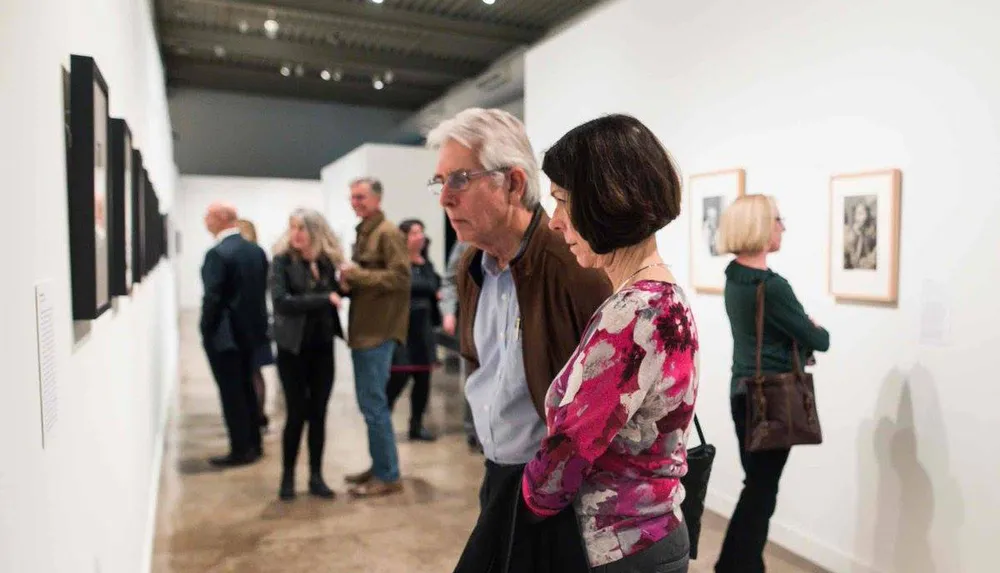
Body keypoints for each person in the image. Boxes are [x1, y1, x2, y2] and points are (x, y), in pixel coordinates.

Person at [426, 108, 611, 572]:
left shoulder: (574, 269)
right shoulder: (473, 267)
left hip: (562, 495)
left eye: (460, 179)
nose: (445, 198)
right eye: (441, 181)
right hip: (499, 478)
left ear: (512, 182)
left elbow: (610, 402)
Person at [519, 114, 698, 573]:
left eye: (562, 201)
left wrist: (523, 501)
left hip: (619, 549)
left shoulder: (632, 314)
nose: (555, 222)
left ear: (607, 202)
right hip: (649, 537)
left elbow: (569, 452)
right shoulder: (663, 296)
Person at [713, 194, 831, 573]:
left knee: (756, 484)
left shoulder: (733, 277)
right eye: (778, 219)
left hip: (741, 393)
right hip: (771, 399)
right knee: (763, 490)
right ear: (761, 227)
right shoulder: (772, 286)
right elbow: (821, 340)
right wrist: (813, 329)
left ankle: (742, 562)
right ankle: (737, 565)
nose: (782, 226)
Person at [339, 177, 410, 497]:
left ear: (377, 199)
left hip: (377, 332)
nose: (356, 202)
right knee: (370, 406)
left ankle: (388, 474)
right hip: (363, 329)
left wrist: (356, 275)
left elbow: (400, 278)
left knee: (374, 406)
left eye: (361, 197)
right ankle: (380, 465)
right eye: (352, 197)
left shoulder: (387, 233)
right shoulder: (365, 231)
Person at [269, 209, 346, 501]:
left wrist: (343, 287)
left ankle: (316, 476)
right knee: (296, 413)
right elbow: (282, 302)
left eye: (302, 228)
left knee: (319, 414)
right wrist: (325, 298)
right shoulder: (282, 261)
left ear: (315, 231)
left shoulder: (325, 263)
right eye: (292, 227)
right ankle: (287, 477)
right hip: (293, 349)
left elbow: (337, 295)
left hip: (322, 347)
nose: (296, 234)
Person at [199, 202, 269, 467]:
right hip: (250, 333)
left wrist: (206, 329)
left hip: (225, 336)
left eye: (208, 216)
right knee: (247, 390)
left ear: (221, 218)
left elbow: (213, 299)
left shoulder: (218, 254)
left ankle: (241, 449)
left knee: (232, 394)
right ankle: (254, 443)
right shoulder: (255, 251)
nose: (205, 221)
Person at [386, 219, 442, 442]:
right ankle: (383, 421)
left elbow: (434, 284)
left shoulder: (425, 263)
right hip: (403, 329)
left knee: (423, 380)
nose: (419, 236)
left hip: (424, 330)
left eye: (421, 231)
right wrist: (429, 289)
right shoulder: (398, 264)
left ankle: (416, 425)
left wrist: (430, 288)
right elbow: (422, 286)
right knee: (398, 378)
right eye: (414, 232)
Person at [440, 239, 480, 451]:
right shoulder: (466, 241)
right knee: (472, 376)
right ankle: (474, 431)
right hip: (471, 320)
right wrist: (448, 311)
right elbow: (449, 280)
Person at [236, 218, 274, 432]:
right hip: (260, 320)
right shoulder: (259, 255)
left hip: (246, 324)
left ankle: (253, 416)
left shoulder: (243, 256)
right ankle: (259, 415)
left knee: (250, 373)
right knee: (256, 372)